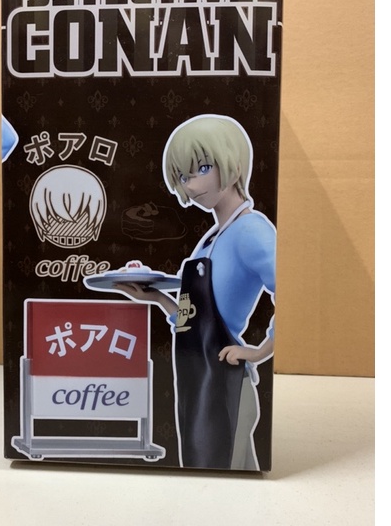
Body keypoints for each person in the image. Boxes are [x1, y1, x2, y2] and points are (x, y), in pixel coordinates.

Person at [114, 114, 276, 470]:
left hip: (224, 385)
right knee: (217, 474)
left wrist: (260, 350)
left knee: (221, 477)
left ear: (233, 163)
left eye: (202, 169)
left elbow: (292, 293)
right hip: (196, 382)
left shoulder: (251, 230)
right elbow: (197, 321)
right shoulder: (210, 239)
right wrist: (157, 298)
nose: (191, 185)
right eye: (184, 176)